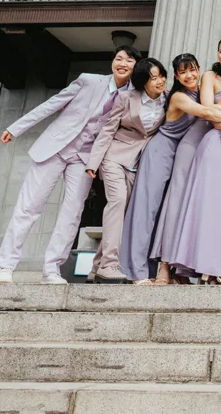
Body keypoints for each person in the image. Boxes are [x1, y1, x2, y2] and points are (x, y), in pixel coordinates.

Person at [0, 45, 142, 285]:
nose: (122, 64)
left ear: (136, 66)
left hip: (85, 158)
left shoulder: (133, 96)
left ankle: (52, 269)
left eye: (129, 61)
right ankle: (6, 266)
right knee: (28, 207)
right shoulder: (88, 81)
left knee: (72, 214)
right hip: (55, 148)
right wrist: (17, 127)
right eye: (118, 58)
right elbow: (52, 104)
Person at [119, 54, 221, 284]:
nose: (189, 75)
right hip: (161, 151)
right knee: (146, 211)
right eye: (183, 72)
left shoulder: (201, 90)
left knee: (168, 209)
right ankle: (136, 272)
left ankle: (165, 269)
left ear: (199, 68)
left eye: (192, 70)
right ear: (177, 76)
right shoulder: (180, 97)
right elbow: (208, 113)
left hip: (181, 155)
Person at [151, 39, 221, 284]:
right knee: (178, 200)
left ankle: (202, 267)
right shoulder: (210, 76)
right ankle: (165, 266)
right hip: (197, 139)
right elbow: (209, 107)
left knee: (212, 205)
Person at [85, 57, 169, 283]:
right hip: (114, 157)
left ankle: (96, 267)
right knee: (117, 202)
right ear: (143, 81)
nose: (159, 81)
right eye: (153, 78)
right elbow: (108, 130)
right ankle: (111, 264)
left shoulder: (168, 100)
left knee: (121, 213)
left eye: (161, 75)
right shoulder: (125, 98)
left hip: (138, 163)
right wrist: (94, 162)